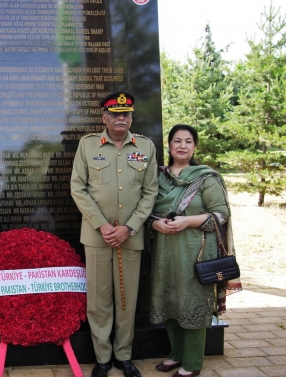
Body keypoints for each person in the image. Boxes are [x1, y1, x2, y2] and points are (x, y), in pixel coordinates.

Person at [70, 91, 158, 377]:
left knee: (126, 299)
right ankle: (103, 358)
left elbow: (150, 192)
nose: (122, 118)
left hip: (130, 236)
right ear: (104, 117)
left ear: (131, 117)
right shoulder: (88, 145)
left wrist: (129, 227)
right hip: (97, 237)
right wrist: (103, 225)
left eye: (126, 114)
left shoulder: (144, 146)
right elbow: (78, 188)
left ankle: (124, 355)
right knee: (98, 300)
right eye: (116, 114)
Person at [148, 124, 241, 377]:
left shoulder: (206, 178)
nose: (182, 146)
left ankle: (192, 361)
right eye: (177, 141)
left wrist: (187, 221)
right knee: (169, 301)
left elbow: (220, 216)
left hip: (197, 250)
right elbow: (146, 211)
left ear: (195, 146)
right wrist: (156, 223)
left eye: (188, 141)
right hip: (165, 250)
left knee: (193, 304)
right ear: (168, 145)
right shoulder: (158, 177)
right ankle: (176, 354)